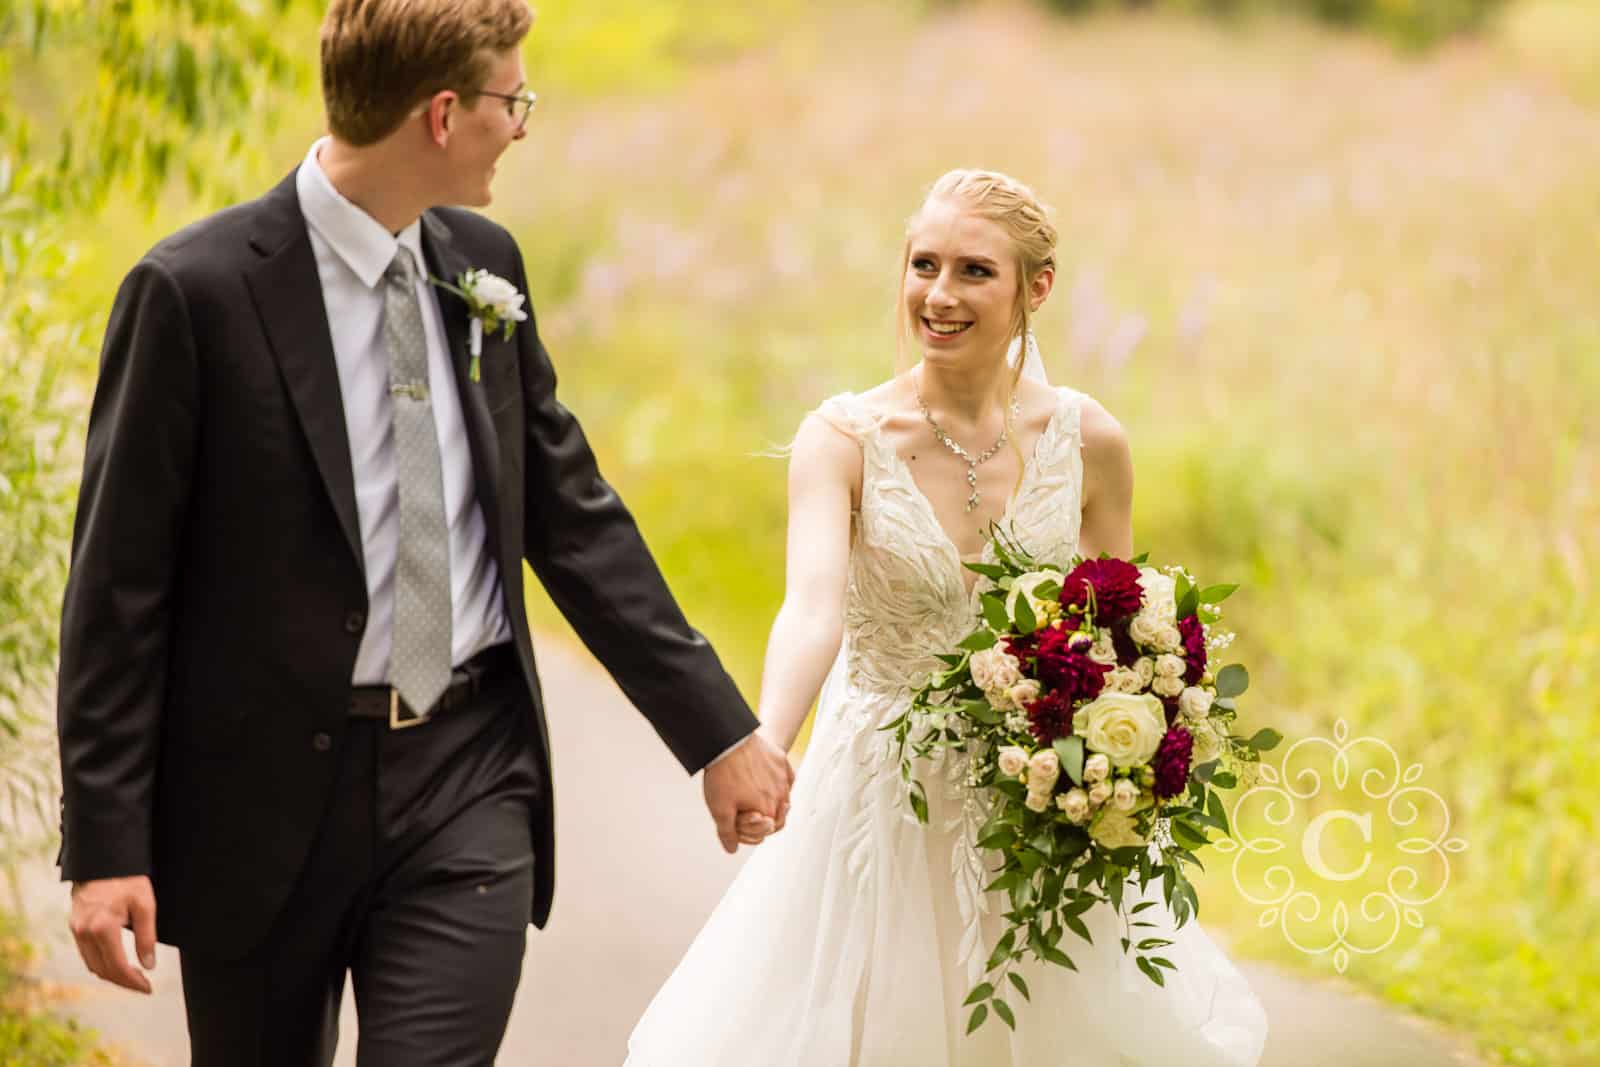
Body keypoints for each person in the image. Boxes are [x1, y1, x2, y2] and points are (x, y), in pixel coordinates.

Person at [54, 1, 793, 1062]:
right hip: (261, 804)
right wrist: (107, 846)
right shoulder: (195, 293)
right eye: (511, 100)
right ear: (442, 115)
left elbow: (571, 513)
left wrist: (716, 730)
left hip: (467, 772)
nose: (521, 124)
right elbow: (118, 590)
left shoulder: (483, 263)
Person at [626, 169, 1268, 1066]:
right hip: (878, 789)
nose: (938, 294)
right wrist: (769, 738)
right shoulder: (841, 440)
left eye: (974, 271)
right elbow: (811, 608)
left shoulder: (1093, 442)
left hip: (1032, 795)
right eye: (922, 264)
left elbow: (1114, 630)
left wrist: (1130, 753)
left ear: (1034, 288)